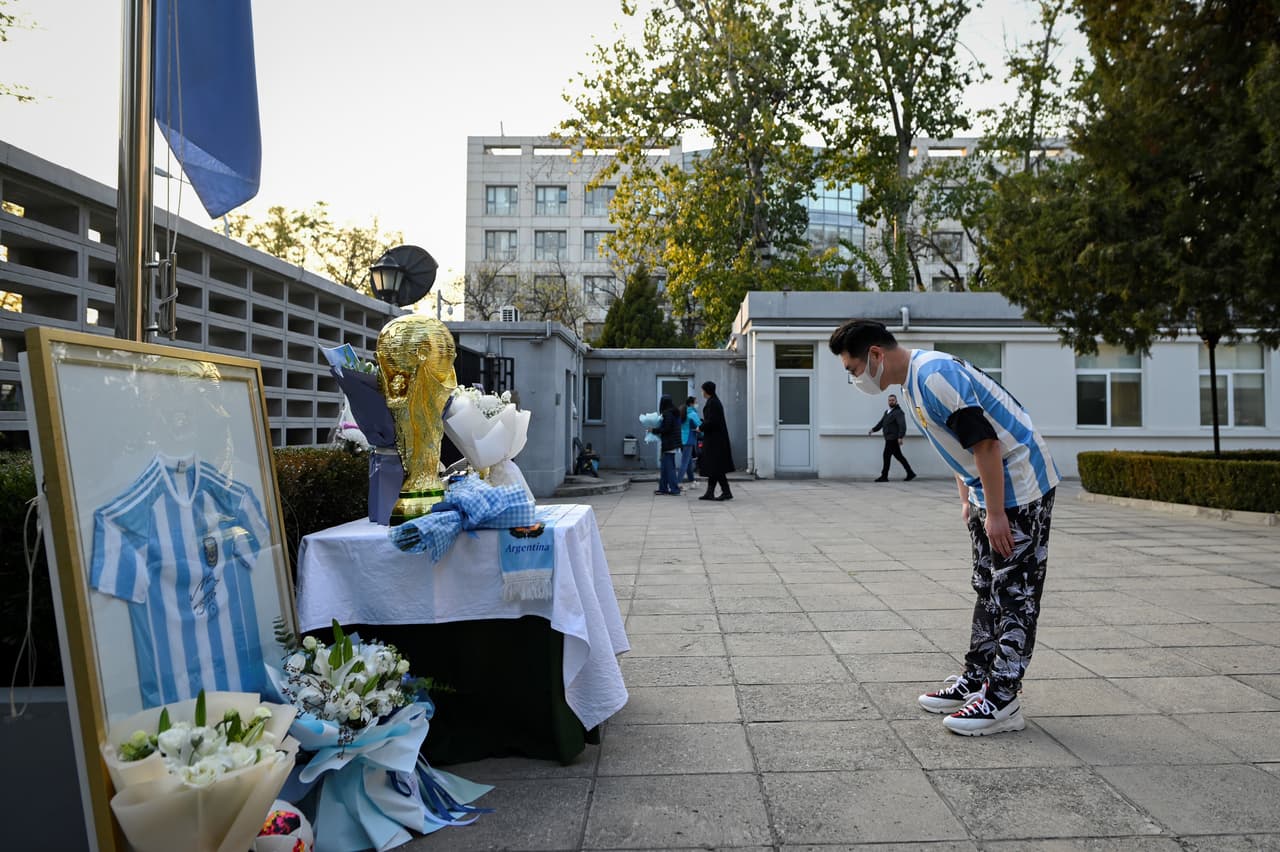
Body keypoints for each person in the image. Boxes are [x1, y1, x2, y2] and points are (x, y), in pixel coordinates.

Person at [829, 319, 1059, 736]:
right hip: (988, 490)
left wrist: (996, 513)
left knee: (1014, 592)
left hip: (1020, 489)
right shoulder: (915, 383)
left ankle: (1003, 698)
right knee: (986, 584)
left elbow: (986, 443)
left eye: (853, 369)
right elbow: (961, 446)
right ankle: (978, 677)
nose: (855, 379)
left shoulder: (934, 377)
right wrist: (970, 500)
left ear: (876, 355)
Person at [696, 381, 734, 501]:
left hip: (715, 441)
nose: (701, 392)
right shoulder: (713, 401)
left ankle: (726, 492)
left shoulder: (713, 403)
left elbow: (712, 421)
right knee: (715, 467)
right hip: (714, 439)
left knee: (716, 467)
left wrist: (700, 427)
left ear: (706, 391)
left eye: (702, 390)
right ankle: (711, 492)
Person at [868, 394, 916, 482]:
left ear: (896, 401)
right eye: (889, 400)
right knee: (899, 456)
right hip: (888, 438)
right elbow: (881, 423)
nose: (891, 401)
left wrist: (900, 437)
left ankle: (884, 476)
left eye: (893, 400)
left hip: (893, 438)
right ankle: (910, 473)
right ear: (888, 401)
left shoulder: (898, 412)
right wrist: (873, 429)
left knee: (886, 456)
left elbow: (902, 425)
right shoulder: (887, 412)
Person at [651, 394, 683, 495]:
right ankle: (663, 488)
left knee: (669, 468)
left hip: (669, 444)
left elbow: (667, 429)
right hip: (672, 443)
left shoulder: (668, 413)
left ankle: (674, 489)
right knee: (665, 468)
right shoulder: (674, 412)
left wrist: (654, 430)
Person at [679, 395, 702, 484]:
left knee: (688, 461)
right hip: (689, 440)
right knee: (685, 462)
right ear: (691, 403)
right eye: (696, 402)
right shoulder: (692, 414)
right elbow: (700, 425)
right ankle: (678, 482)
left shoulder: (683, 411)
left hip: (682, 440)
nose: (697, 404)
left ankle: (692, 480)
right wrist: (704, 433)